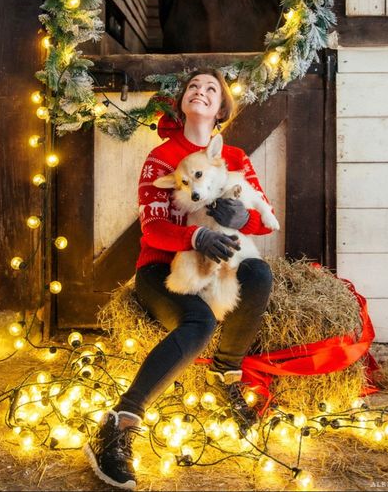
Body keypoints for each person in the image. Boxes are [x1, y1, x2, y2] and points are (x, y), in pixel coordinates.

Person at [85, 70, 274, 489]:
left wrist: (241, 216)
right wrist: (196, 234)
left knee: (258, 272)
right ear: (182, 101)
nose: (201, 92)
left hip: (222, 266)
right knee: (200, 322)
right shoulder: (161, 158)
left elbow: (262, 220)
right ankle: (119, 423)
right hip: (163, 268)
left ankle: (225, 375)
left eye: (211, 89)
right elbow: (152, 229)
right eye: (193, 87)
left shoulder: (236, 157)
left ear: (222, 107)